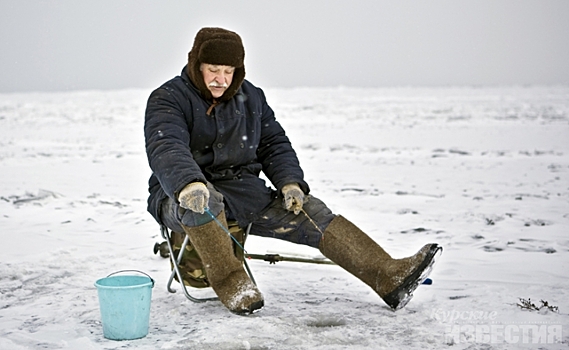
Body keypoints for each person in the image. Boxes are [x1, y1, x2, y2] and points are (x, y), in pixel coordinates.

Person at [144, 27, 441, 315]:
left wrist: (289, 183)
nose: (221, 79)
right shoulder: (168, 97)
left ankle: (388, 275)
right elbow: (167, 146)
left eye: (229, 71)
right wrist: (188, 183)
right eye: (213, 69)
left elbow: (274, 144)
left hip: (244, 193)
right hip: (180, 196)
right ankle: (234, 285)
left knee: (311, 211)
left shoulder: (252, 97)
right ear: (196, 65)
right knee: (206, 200)